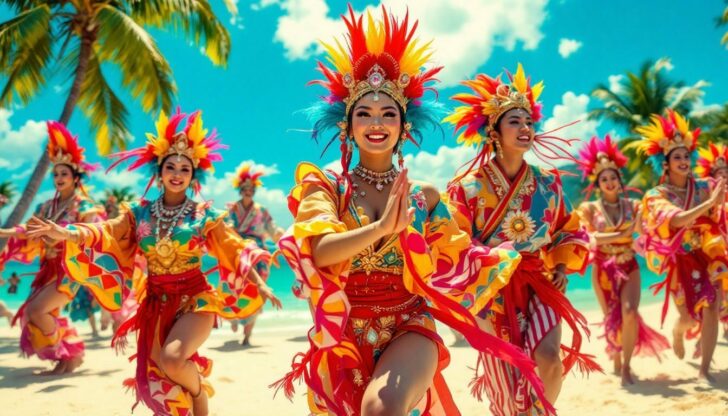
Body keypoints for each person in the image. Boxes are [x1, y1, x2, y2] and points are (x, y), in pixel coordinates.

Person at [273, 7, 552, 416]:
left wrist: (510, 266)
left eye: (389, 114)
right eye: (364, 113)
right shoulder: (326, 185)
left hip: (410, 325)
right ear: (346, 126)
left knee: (380, 409)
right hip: (344, 331)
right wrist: (383, 227)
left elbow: (457, 261)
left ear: (404, 128)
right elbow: (320, 250)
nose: (376, 122)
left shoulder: (425, 199)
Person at [28, 109, 282, 415]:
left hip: (195, 300)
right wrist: (67, 233)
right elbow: (107, 231)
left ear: (193, 176)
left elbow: (234, 250)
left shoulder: (204, 216)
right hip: (156, 303)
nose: (177, 173)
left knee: (173, 360)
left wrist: (262, 284)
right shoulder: (140, 213)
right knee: (156, 379)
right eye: (170, 167)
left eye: (185, 169)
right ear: (159, 173)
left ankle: (200, 395)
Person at [445, 64, 600, 415]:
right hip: (489, 290)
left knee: (549, 361)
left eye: (529, 121)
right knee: (506, 382)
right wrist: (491, 262)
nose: (526, 128)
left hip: (538, 284)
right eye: (515, 121)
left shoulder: (548, 183)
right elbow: (452, 242)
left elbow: (568, 227)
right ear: (493, 131)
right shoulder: (467, 187)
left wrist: (559, 262)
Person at [0, 121, 104, 374]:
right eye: (55, 174)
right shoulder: (47, 207)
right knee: (32, 313)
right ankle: (66, 358)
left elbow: (96, 236)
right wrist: (4, 231)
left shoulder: (85, 208)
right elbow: (29, 229)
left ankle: (73, 351)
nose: (58, 178)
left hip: (71, 269)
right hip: (47, 269)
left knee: (37, 310)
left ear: (76, 177)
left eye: (64, 174)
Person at [634, 110, 728, 383]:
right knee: (688, 317)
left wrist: (718, 200)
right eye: (677, 156)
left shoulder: (705, 185)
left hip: (710, 254)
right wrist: (710, 204)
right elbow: (674, 221)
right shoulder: (657, 195)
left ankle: (704, 369)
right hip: (681, 262)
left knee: (712, 305)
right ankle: (678, 331)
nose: (684, 160)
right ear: (665, 164)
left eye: (687, 156)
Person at [575, 135, 669, 385]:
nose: (609, 182)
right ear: (598, 184)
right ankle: (615, 355)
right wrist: (622, 234)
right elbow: (589, 238)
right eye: (603, 179)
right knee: (611, 319)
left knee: (629, 313)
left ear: (619, 180)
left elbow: (645, 229)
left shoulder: (634, 205)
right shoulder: (589, 210)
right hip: (602, 270)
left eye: (612, 177)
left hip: (629, 265)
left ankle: (626, 366)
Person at [227, 162, 284, 346]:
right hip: (239, 251)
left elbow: (272, 229)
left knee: (257, 292)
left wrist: (282, 236)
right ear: (240, 190)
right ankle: (234, 318)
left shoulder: (262, 211)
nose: (248, 191)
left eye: (251, 188)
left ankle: (248, 334)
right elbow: (226, 229)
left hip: (258, 255)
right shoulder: (233, 210)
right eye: (245, 188)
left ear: (254, 191)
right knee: (234, 288)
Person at [695, 143, 728, 339]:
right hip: (714, 251)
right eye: (720, 173)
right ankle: (707, 333)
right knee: (715, 295)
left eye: (727, 172)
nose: (724, 176)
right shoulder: (707, 199)